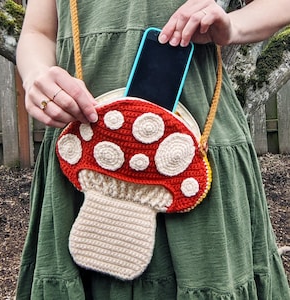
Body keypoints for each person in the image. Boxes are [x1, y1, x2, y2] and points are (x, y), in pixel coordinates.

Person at [15, 0, 290, 299]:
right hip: (82, 147)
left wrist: (234, 25)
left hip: (192, 150)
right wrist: (35, 76)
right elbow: (38, 32)